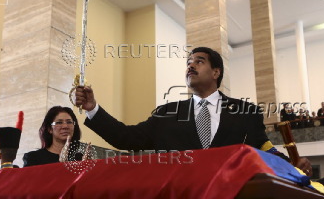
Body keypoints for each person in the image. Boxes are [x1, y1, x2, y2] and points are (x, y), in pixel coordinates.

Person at [75, 47, 307, 170]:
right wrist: (93, 109)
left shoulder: (246, 112)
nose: (190, 65)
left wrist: (292, 166)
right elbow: (126, 138)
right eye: (188, 62)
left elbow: (264, 149)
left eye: (199, 61)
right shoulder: (166, 114)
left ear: (216, 72)